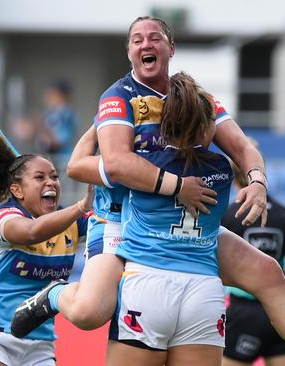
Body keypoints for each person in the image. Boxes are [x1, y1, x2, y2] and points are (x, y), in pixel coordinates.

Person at [12, 16, 285, 366]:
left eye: (154, 37)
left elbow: (243, 147)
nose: (146, 44)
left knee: (268, 271)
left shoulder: (192, 99)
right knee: (92, 311)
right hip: (117, 221)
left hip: (175, 232)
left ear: (171, 47)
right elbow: (94, 166)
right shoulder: (118, 97)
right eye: (137, 40)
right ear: (129, 52)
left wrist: (257, 181)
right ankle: (55, 295)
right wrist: (178, 187)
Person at [0, 110, 93, 366]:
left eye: (55, 176)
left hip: (39, 346)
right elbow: (32, 232)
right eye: (40, 177)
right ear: (17, 190)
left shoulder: (71, 222)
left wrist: (99, 128)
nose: (51, 182)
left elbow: (113, 224)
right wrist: (80, 207)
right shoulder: (5, 218)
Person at [104, 71, 233, 365]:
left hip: (147, 283)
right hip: (204, 291)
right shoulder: (222, 170)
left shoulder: (142, 165)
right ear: (206, 125)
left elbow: (83, 167)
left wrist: (99, 128)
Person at [221, 162, 285, 366]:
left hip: (243, 312)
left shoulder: (227, 216)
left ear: (233, 178)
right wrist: (271, 283)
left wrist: (248, 282)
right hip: (280, 308)